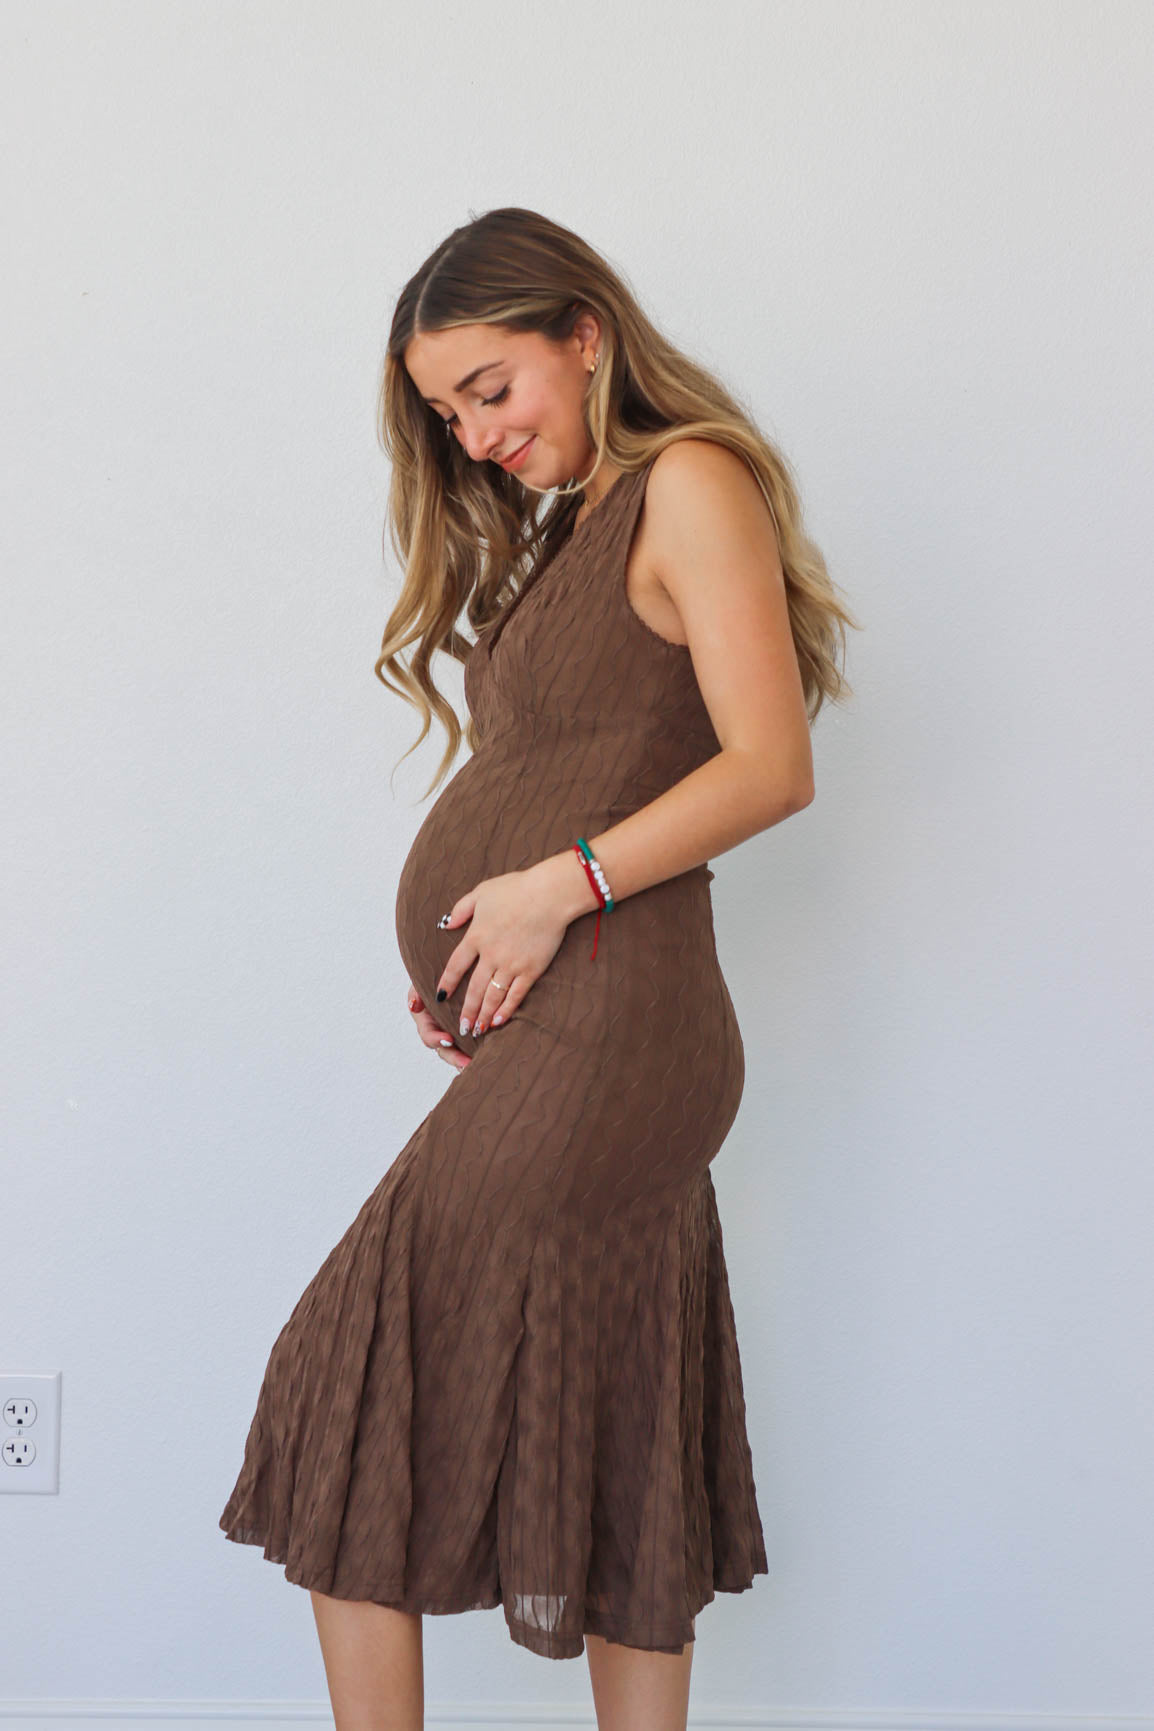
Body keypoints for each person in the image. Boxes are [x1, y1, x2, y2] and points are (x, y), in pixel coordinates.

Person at [219, 206, 857, 1731]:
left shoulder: (684, 484)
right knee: (620, 1401)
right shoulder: (575, 525)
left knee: (347, 1378)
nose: (475, 432)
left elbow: (770, 766)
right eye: (447, 413)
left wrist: (547, 895)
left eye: (492, 387)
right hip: (566, 1030)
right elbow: (576, 759)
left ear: (585, 333)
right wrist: (484, 957)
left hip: (621, 1028)